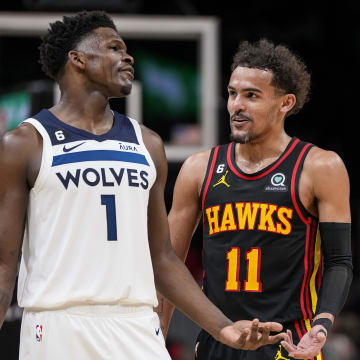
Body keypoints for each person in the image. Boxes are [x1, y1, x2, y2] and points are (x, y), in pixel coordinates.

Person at [0, 12, 286, 359]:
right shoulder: (26, 143)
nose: (128, 57)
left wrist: (224, 327)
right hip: (58, 324)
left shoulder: (147, 143)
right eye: (114, 48)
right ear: (77, 59)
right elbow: (4, 264)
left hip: (135, 324)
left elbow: (162, 258)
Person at [159, 39, 353, 359]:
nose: (237, 105)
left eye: (251, 95)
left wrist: (322, 324)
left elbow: (339, 262)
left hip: (289, 341)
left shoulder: (319, 167)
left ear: (285, 103)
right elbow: (168, 265)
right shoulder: (199, 168)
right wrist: (156, 340)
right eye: (233, 93)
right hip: (218, 339)